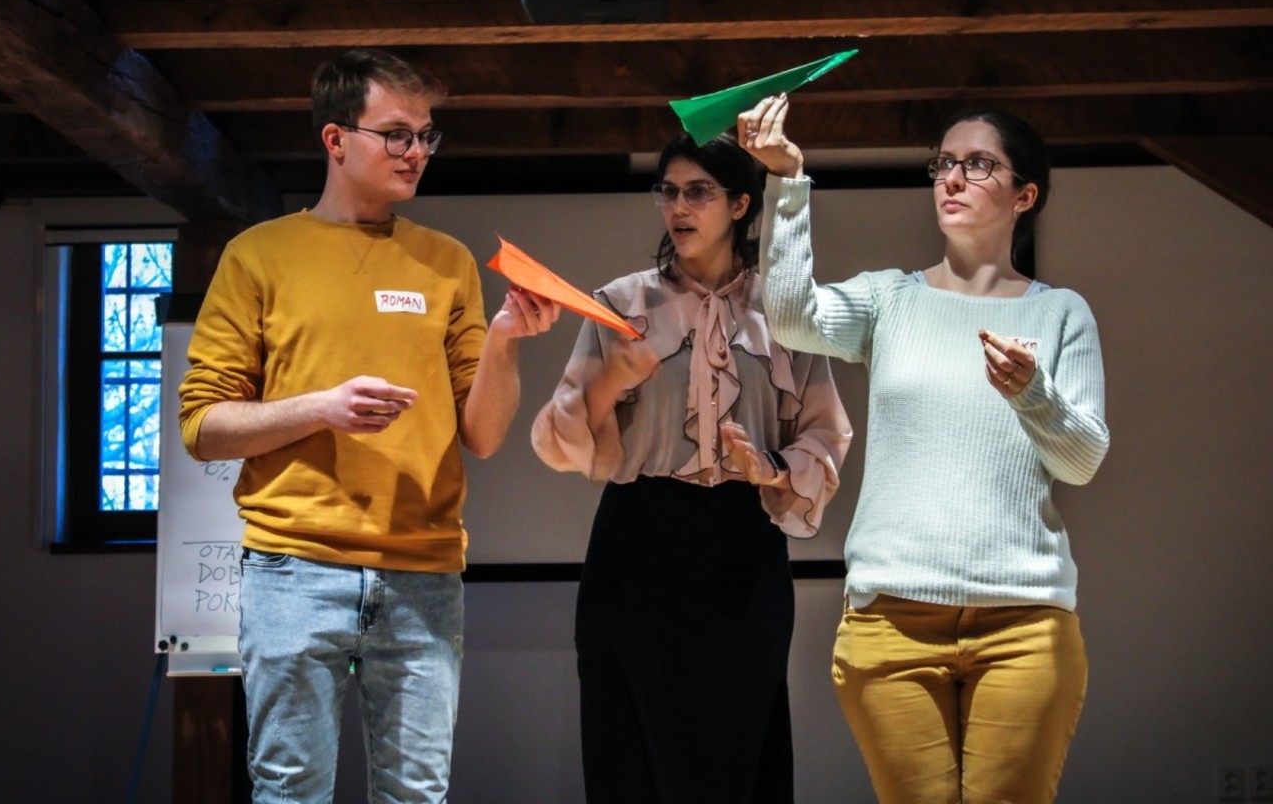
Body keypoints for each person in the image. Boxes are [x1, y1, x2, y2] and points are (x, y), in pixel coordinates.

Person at [178, 48, 560, 804]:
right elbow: (203, 426)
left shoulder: (446, 262)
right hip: (294, 567)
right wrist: (321, 408)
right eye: (396, 134)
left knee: (417, 793)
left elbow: (484, 436)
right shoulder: (259, 256)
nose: (416, 152)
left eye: (425, 135)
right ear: (335, 139)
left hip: (424, 570)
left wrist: (506, 339)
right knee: (289, 791)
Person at [742, 95, 1110, 804]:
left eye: (979, 164)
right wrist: (786, 180)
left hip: (1025, 621)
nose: (952, 178)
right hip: (892, 619)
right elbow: (790, 318)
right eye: (943, 163)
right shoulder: (890, 299)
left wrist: (1032, 393)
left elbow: (1082, 461)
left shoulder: (1062, 312)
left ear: (1024, 195)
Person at [532, 132, 853, 804]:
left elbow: (826, 432)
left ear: (740, 204)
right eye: (669, 192)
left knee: (734, 759)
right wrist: (610, 381)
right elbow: (561, 443)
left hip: (742, 552)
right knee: (631, 759)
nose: (678, 207)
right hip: (637, 548)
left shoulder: (784, 312)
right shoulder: (620, 302)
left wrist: (770, 469)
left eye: (698, 192)